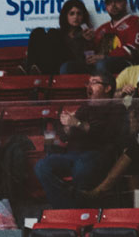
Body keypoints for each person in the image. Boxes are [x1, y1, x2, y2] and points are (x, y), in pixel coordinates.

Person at [35, 72, 126, 208]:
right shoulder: (85, 107)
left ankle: (77, 211)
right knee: (42, 166)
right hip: (72, 155)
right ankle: (64, 208)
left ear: (108, 88)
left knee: (82, 168)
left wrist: (77, 124)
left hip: (98, 154)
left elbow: (106, 135)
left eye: (94, 82)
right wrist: (67, 126)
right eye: (88, 83)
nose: (89, 86)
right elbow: (65, 136)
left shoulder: (117, 108)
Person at [26, 0, 94, 75]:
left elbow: (87, 59)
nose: (75, 17)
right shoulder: (59, 34)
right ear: (66, 16)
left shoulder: (86, 34)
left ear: (83, 16)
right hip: (54, 63)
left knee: (53, 32)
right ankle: (30, 68)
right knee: (38, 32)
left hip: (70, 63)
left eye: (79, 14)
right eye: (72, 14)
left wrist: (88, 41)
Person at [90, 0, 139, 75]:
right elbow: (93, 50)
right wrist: (87, 42)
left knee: (102, 64)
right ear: (105, 6)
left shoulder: (135, 22)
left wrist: (105, 57)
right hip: (101, 64)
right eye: (109, 3)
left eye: (117, 1)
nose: (113, 5)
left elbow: (133, 50)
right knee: (68, 67)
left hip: (127, 64)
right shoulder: (102, 28)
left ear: (125, 2)